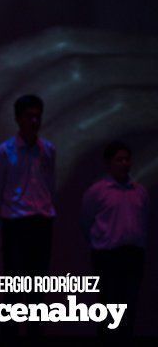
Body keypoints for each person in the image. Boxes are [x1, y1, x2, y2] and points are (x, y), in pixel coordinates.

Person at [0, 94, 55, 338]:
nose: (34, 121)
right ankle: (11, 334)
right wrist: (3, 220)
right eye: (29, 116)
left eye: (37, 116)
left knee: (38, 285)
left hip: (41, 221)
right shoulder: (3, 152)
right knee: (14, 284)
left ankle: (35, 333)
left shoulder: (48, 149)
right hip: (15, 222)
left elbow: (50, 184)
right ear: (18, 118)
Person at [81, 141, 148, 342]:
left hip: (133, 255)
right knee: (108, 308)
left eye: (127, 159)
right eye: (119, 159)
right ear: (109, 163)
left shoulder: (140, 192)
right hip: (107, 257)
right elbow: (86, 221)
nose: (124, 163)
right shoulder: (97, 192)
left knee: (129, 306)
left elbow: (144, 220)